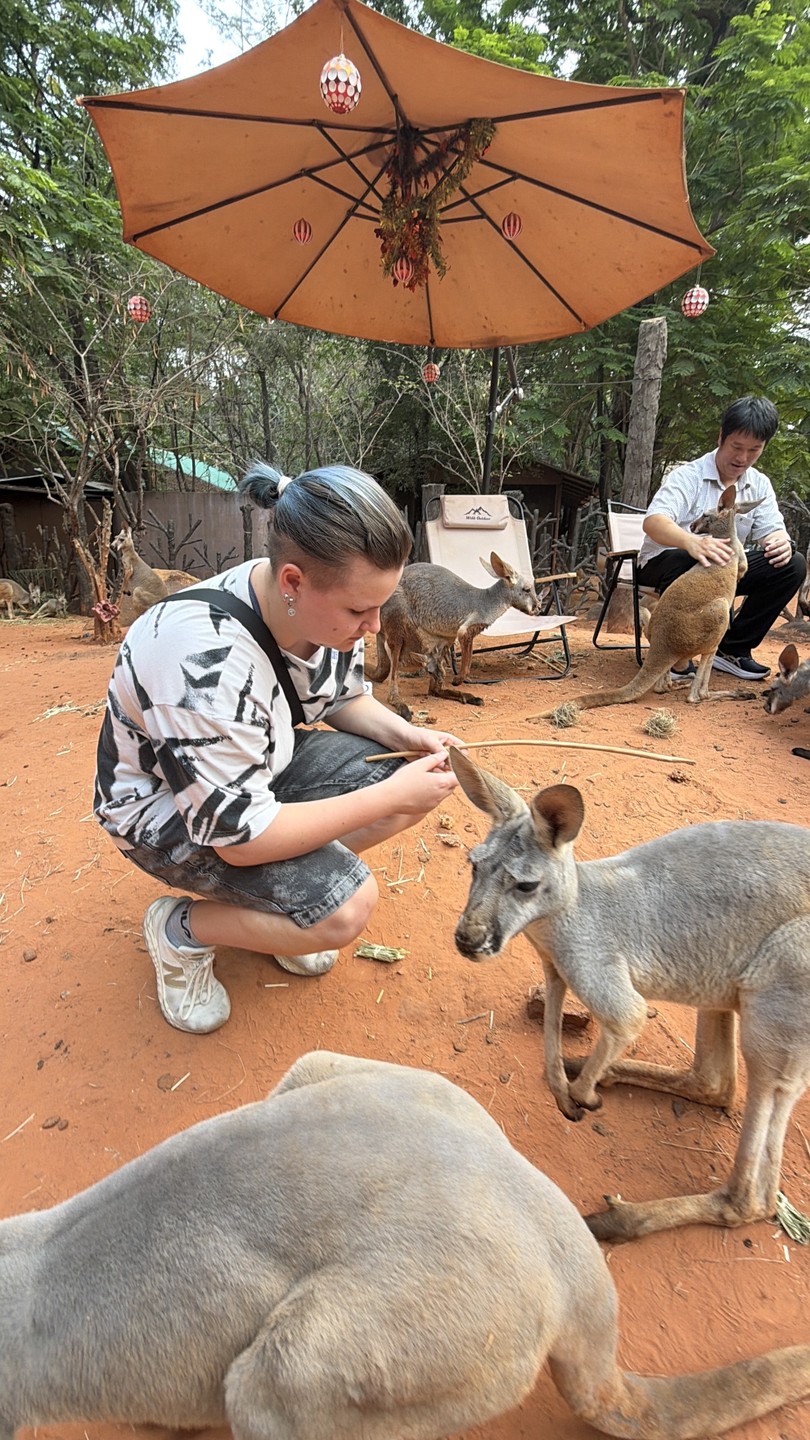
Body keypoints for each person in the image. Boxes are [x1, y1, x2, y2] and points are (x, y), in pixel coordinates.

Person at [95, 463, 460, 1035]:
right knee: (344, 910)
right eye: (359, 612)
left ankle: (279, 909)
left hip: (258, 765)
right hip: (165, 815)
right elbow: (240, 841)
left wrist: (408, 738)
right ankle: (181, 930)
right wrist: (389, 791)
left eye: (379, 607)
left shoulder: (324, 602)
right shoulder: (201, 662)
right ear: (292, 580)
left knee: (411, 785)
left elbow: (340, 696)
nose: (372, 627)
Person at [636, 395, 806, 680]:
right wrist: (692, 542)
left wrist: (779, 542)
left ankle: (732, 649)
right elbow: (654, 522)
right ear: (721, 438)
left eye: (754, 450)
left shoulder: (759, 483)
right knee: (692, 557)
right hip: (668, 563)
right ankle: (675, 653)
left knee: (793, 564)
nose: (742, 458)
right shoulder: (687, 476)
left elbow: (772, 530)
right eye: (736, 447)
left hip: (722, 571)